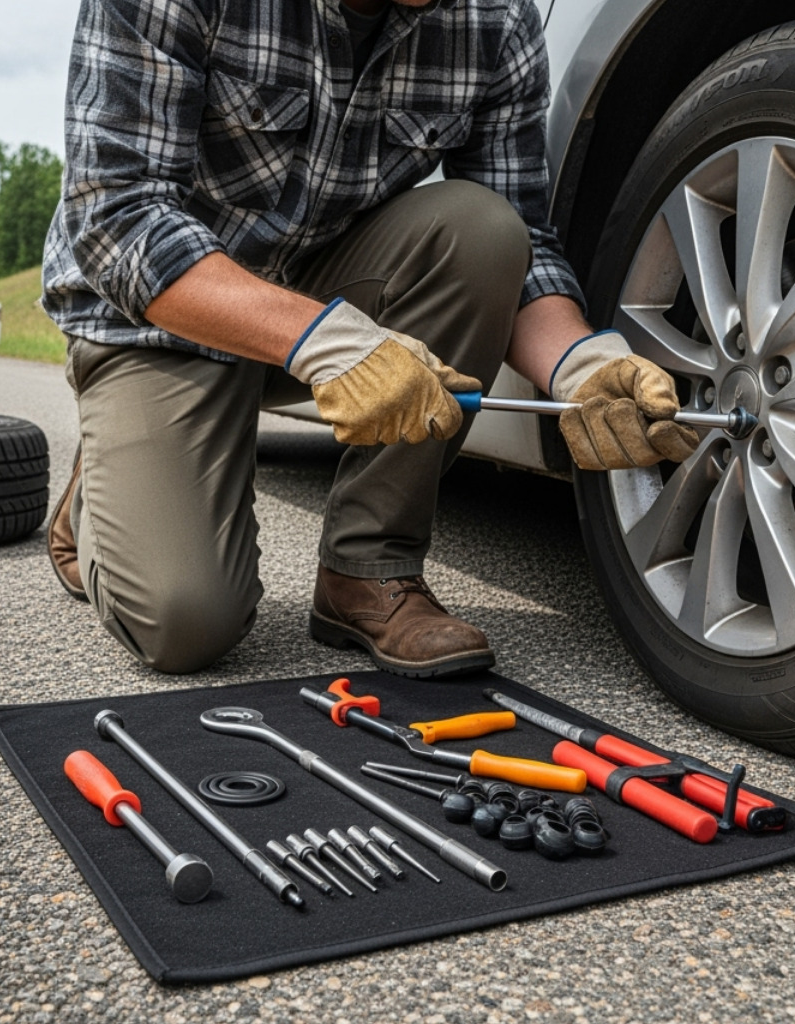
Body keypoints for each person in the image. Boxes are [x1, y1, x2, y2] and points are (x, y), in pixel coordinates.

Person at [41, 0, 696, 678]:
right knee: (185, 622)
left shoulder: (494, 19)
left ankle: (368, 569)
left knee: (483, 229)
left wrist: (579, 366)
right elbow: (117, 217)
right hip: (160, 318)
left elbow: (522, 240)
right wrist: (324, 343)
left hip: (326, 293)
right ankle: (103, 487)